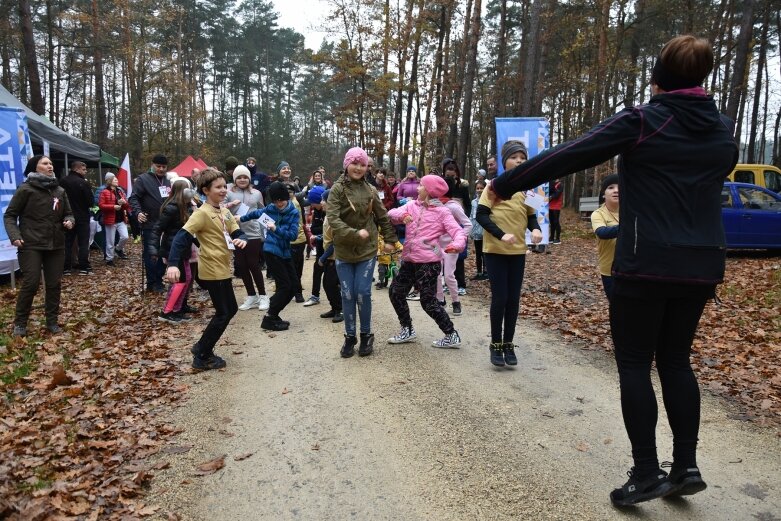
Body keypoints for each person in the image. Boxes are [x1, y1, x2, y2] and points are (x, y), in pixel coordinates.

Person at [490, 35, 738, 506]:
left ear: (658, 78)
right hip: (702, 262)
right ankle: (685, 466)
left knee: (633, 362)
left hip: (645, 261)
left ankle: (646, 473)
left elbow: (574, 152)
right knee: (676, 361)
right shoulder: (724, 128)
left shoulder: (644, 120)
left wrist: (507, 182)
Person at [166, 167, 248, 370]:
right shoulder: (201, 214)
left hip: (223, 266)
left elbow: (237, 231)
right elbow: (180, 238)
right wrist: (173, 264)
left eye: (224, 187)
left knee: (230, 309)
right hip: (211, 269)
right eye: (218, 187)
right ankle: (202, 354)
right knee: (224, 312)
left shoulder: (224, 211)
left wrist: (241, 240)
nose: (223, 190)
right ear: (205, 190)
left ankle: (202, 347)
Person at [477, 140, 542, 367]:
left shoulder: (528, 189)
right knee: (500, 297)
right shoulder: (494, 186)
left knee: (513, 300)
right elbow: (481, 215)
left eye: (523, 159)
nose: (519, 162)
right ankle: (495, 345)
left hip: (517, 252)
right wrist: (501, 234)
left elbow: (532, 216)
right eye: (515, 157)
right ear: (505, 161)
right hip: (495, 250)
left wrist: (535, 229)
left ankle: (508, 344)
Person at [327, 147, 397, 358]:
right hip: (344, 250)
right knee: (347, 294)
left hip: (367, 251)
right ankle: (350, 337)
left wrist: (391, 240)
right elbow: (333, 219)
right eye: (354, 163)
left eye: (362, 164)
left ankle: (366, 335)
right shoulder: (337, 190)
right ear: (346, 165)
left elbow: (382, 216)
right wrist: (355, 234)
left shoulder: (371, 190)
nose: (358, 168)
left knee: (363, 293)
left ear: (367, 167)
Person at [387, 175, 466, 348]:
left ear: (429, 191)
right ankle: (407, 329)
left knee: (427, 300)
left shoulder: (442, 212)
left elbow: (458, 232)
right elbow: (391, 213)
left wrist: (457, 244)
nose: (417, 188)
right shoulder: (412, 205)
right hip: (409, 260)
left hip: (429, 263)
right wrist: (403, 215)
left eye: (421, 186)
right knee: (395, 292)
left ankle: (451, 334)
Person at [4, 155, 75, 336]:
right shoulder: (25, 190)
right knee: (31, 283)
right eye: (45, 163)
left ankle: (51, 321)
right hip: (31, 244)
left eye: (51, 163)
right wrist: (15, 236)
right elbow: (10, 215)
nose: (50, 165)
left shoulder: (59, 190)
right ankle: (20, 323)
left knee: (54, 284)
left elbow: (69, 213)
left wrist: (69, 221)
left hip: (56, 244)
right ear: (35, 168)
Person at [240, 181, 300, 331]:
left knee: (294, 287)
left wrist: (275, 228)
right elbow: (255, 213)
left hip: (285, 252)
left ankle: (273, 313)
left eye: (282, 200)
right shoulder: (270, 209)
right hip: (271, 251)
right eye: (276, 200)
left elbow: (292, 236)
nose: (279, 203)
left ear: (287, 198)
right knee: (285, 286)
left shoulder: (293, 213)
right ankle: (270, 317)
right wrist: (239, 219)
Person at [151, 177, 197, 323]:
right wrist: (153, 249)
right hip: (173, 249)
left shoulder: (187, 206)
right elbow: (158, 228)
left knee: (187, 279)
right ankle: (167, 311)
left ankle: (177, 309)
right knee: (179, 280)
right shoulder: (171, 208)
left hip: (184, 248)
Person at [225, 165, 269, 312]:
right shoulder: (229, 193)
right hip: (236, 233)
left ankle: (263, 295)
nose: (242, 179)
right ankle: (251, 295)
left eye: (245, 177)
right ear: (234, 179)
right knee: (241, 265)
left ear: (249, 179)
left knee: (253, 264)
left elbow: (263, 211)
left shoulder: (257, 193)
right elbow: (220, 208)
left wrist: (270, 229)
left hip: (253, 233)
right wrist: (230, 204)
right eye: (239, 177)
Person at [129, 154, 171, 293]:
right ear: (152, 165)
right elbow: (133, 198)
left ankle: (158, 280)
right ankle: (152, 282)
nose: (161, 169)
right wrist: (138, 212)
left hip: (166, 224)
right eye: (158, 166)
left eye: (163, 167)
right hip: (150, 224)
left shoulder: (167, 180)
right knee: (151, 254)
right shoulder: (143, 179)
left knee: (163, 253)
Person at [435, 181, 472, 316]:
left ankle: (456, 301)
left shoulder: (454, 207)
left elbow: (468, 225)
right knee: (437, 274)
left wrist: (459, 240)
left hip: (451, 247)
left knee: (449, 274)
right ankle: (440, 300)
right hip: (436, 246)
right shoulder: (433, 205)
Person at [60, 161, 94, 275]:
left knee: (68, 242)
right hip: (82, 216)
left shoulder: (62, 181)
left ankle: (66, 268)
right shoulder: (83, 183)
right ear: (77, 169)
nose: (86, 172)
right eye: (84, 170)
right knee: (83, 242)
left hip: (67, 216)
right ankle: (83, 267)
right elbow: (90, 202)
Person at [316, 190, 343, 322]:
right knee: (327, 284)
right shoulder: (327, 216)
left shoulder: (334, 218)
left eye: (323, 200)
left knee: (332, 284)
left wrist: (323, 257)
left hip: (335, 256)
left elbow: (336, 240)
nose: (321, 202)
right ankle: (334, 308)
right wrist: (318, 237)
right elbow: (328, 235)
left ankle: (340, 310)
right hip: (330, 256)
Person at [591, 174, 620, 300]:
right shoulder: (597, 214)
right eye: (611, 187)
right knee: (616, 306)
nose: (616, 190)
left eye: (620, 187)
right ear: (603, 194)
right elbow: (602, 233)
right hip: (609, 270)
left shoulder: (632, 211)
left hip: (632, 267)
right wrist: (629, 226)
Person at [98, 173, 130, 267]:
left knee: (125, 237)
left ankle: (118, 249)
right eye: (114, 179)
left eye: (116, 179)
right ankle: (109, 259)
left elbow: (127, 205)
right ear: (109, 181)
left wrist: (124, 203)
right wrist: (113, 207)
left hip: (121, 219)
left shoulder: (120, 191)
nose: (117, 180)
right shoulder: (104, 192)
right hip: (110, 220)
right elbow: (101, 205)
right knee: (110, 241)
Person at [303, 185, 327, 306]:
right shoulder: (316, 211)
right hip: (320, 246)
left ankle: (340, 302)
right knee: (317, 269)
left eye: (312, 202)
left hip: (332, 248)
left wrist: (322, 231)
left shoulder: (330, 210)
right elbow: (314, 228)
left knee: (332, 277)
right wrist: (323, 231)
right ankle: (314, 296)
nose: (311, 205)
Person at [470, 180, 487, 280]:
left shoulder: (487, 200)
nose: (479, 190)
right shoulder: (473, 202)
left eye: (481, 188)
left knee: (485, 252)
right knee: (478, 252)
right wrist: (471, 230)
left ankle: (486, 272)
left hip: (485, 230)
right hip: (476, 231)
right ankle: (479, 272)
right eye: (478, 188)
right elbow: (472, 216)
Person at [548, 179, 563, 244]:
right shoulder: (551, 184)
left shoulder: (560, 185)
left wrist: (551, 197)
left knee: (556, 221)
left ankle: (557, 238)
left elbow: (557, 194)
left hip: (556, 206)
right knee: (551, 222)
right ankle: (551, 237)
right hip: (550, 205)